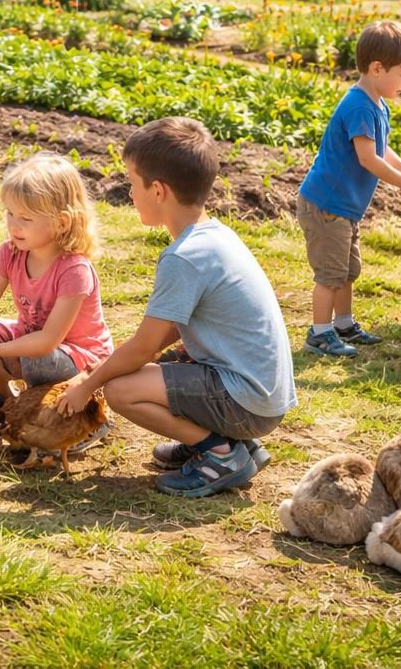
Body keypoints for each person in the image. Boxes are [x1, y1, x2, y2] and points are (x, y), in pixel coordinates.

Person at [56, 118, 296, 498]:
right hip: (263, 395)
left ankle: (220, 453)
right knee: (155, 366)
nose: (130, 192)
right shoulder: (215, 236)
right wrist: (138, 360)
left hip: (247, 402)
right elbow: (166, 333)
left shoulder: (184, 257)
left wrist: (88, 385)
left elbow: (142, 347)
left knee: (120, 390)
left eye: (132, 183)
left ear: (158, 190)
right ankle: (224, 440)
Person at [0, 152, 114, 461]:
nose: (14, 225)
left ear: (61, 222)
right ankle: (7, 403)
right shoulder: (11, 253)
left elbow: (49, 339)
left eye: (26, 218)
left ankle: (86, 419)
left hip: (79, 359)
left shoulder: (74, 269)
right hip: (32, 342)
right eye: (10, 214)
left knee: (35, 356)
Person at [294, 19, 401, 358]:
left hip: (344, 209)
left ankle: (343, 325)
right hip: (326, 206)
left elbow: (382, 149)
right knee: (330, 275)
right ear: (377, 68)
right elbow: (369, 159)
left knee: (347, 271)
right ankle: (319, 333)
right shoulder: (358, 106)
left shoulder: (377, 104)